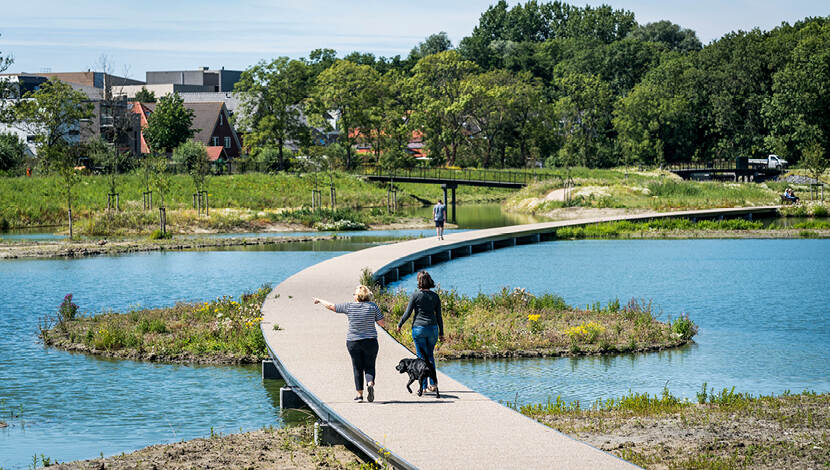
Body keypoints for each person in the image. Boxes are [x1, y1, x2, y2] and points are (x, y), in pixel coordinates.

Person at [313, 285, 385, 402]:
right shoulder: (373, 307)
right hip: (370, 341)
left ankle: (359, 395)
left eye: (354, 294)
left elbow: (332, 306)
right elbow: (382, 323)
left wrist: (320, 300)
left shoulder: (349, 306)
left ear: (357, 297)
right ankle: (370, 384)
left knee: (357, 367)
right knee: (370, 365)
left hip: (353, 342)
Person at [396, 271, 444, 393]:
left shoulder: (415, 296)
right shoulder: (435, 296)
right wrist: (441, 333)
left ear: (419, 282)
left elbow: (407, 313)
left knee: (421, 358)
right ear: (430, 281)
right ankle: (433, 384)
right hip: (432, 329)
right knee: (430, 356)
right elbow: (439, 316)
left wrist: (400, 324)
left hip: (418, 329)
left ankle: (423, 387)